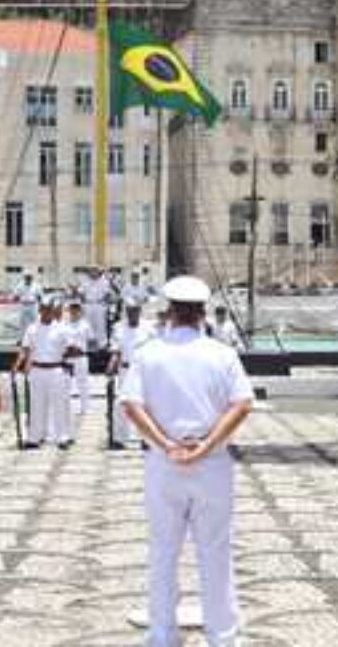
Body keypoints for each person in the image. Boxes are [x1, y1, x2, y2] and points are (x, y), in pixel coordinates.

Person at [121, 276, 255, 647]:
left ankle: (162, 636)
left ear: (169, 311)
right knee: (215, 552)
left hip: (164, 464)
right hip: (212, 463)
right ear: (202, 313)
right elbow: (242, 404)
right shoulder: (221, 354)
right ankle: (223, 637)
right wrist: (207, 444)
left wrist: (166, 444)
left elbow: (131, 405)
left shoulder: (149, 353)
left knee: (163, 551)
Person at [14, 296, 82, 450]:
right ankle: (34, 438)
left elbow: (71, 347)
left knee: (58, 406)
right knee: (36, 405)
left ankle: (62, 437)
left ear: (53, 311)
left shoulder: (61, 328)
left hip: (56, 370)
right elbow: (25, 349)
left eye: (49, 310)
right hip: (37, 370)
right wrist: (16, 365)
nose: (46, 313)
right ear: (39, 310)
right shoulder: (32, 328)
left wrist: (73, 351)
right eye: (43, 309)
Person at [108, 302, 160, 450]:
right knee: (122, 405)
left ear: (140, 311)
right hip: (125, 369)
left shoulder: (149, 328)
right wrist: (112, 365)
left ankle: (146, 438)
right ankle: (119, 438)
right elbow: (116, 350)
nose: (132, 314)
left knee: (145, 405)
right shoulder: (119, 327)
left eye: (135, 311)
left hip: (144, 370)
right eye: (130, 311)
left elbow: (156, 349)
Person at [63, 301, 96, 420]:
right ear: (69, 310)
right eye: (72, 309)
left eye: (77, 309)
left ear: (80, 311)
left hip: (81, 356)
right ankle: (67, 408)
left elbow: (92, 341)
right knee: (66, 384)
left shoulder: (85, 325)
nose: (74, 311)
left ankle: (85, 408)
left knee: (83, 384)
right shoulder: (64, 324)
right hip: (68, 357)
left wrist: (83, 349)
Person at [82, 268, 112, 351]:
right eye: (91, 271)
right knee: (88, 325)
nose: (93, 273)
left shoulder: (104, 282)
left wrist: (104, 304)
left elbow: (107, 294)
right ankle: (90, 345)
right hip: (88, 305)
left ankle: (102, 345)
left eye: (95, 271)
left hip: (99, 305)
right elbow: (82, 294)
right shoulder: (85, 282)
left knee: (100, 325)